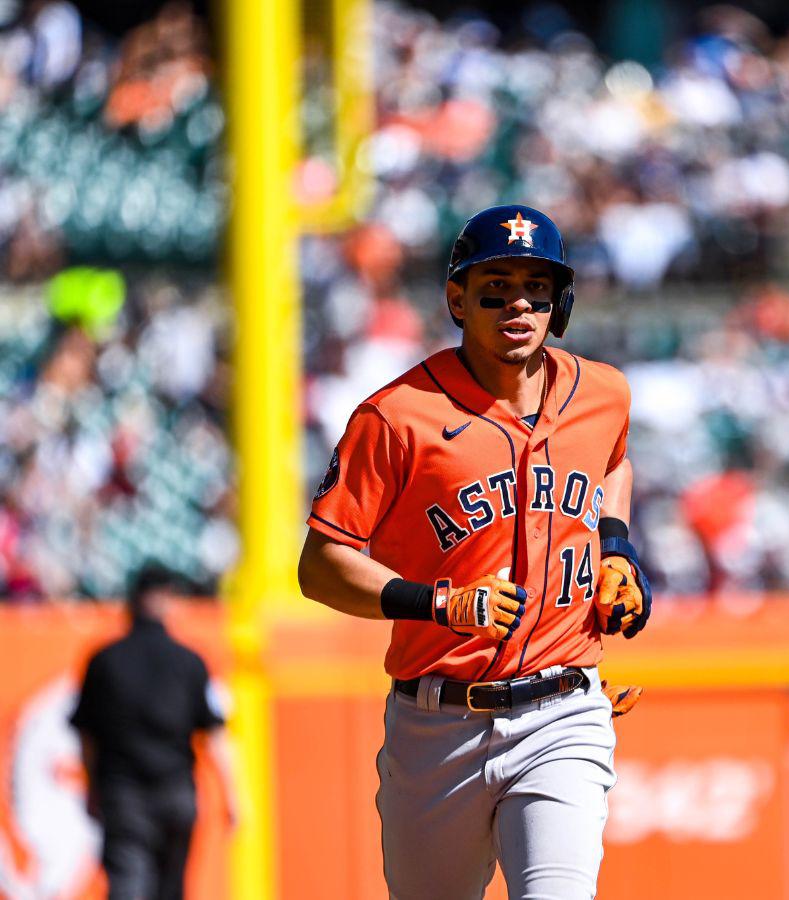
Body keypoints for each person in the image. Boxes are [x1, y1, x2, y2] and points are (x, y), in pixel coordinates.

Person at [297, 204, 652, 900]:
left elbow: (614, 464)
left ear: (561, 302)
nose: (518, 302)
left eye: (536, 287)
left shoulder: (603, 394)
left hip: (563, 708)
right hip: (436, 727)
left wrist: (617, 550)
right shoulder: (395, 416)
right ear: (457, 299)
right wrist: (438, 602)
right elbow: (320, 566)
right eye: (496, 286)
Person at [70, 565, 238, 900]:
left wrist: (91, 790)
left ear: (132, 602)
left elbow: (87, 736)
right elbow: (216, 735)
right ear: (169, 602)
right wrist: (233, 796)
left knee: (128, 886)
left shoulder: (104, 660)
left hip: (123, 795)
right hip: (176, 796)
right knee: (171, 890)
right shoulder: (190, 661)